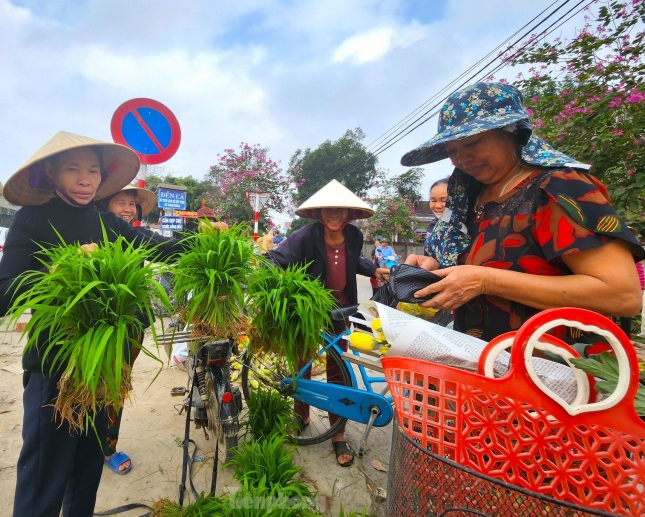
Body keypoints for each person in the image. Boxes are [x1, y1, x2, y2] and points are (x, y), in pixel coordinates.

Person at [0, 131, 184, 517]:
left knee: (87, 470)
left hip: (102, 371)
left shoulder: (107, 222)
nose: (85, 179)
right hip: (54, 369)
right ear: (52, 173)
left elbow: (158, 245)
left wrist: (209, 244)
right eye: (73, 169)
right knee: (45, 475)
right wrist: (60, 268)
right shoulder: (33, 219)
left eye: (93, 170)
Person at [399, 82, 643, 342]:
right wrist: (438, 270)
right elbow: (489, 266)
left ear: (511, 132)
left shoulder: (558, 187)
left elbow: (622, 295)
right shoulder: (470, 199)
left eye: (472, 143)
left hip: (554, 367)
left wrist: (486, 280)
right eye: (452, 151)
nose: (462, 159)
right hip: (485, 364)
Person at [266, 179, 389, 467]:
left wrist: (375, 268)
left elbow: (354, 261)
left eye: (341, 210)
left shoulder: (354, 236)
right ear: (319, 213)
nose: (335, 215)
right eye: (328, 210)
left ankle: (338, 432)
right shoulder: (304, 237)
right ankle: (301, 417)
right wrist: (271, 280)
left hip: (341, 311)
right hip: (308, 312)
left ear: (349, 214)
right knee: (302, 365)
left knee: (339, 370)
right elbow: (275, 259)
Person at [94, 185, 158, 475]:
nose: (129, 209)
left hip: (129, 325)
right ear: (105, 205)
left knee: (116, 386)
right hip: (95, 327)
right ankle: (82, 445)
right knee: (87, 386)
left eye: (132, 204)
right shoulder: (93, 233)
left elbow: (165, 244)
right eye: (121, 202)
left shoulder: (135, 236)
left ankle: (108, 447)